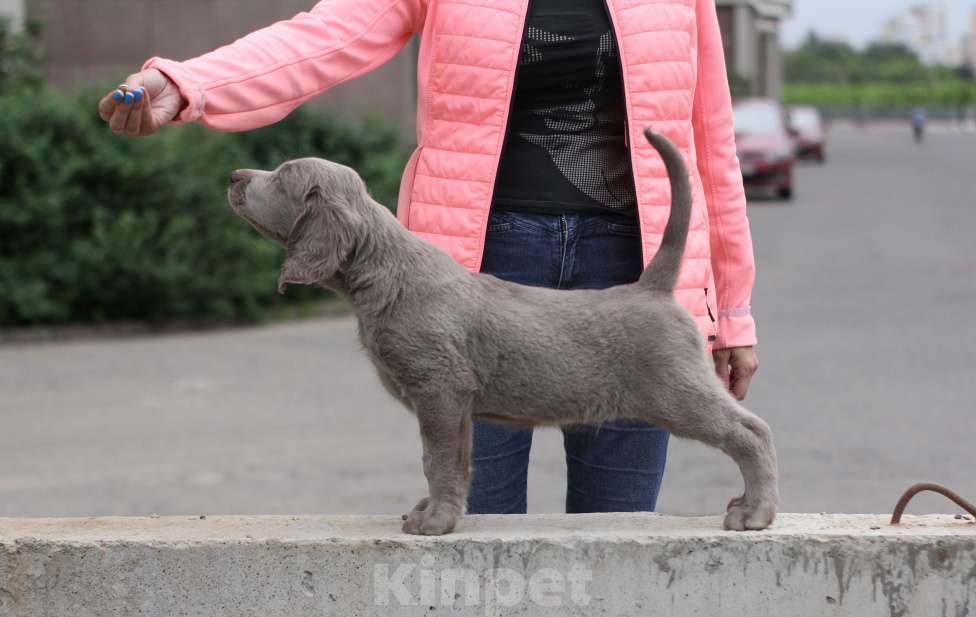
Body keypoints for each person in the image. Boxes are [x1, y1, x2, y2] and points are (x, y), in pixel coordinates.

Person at [99, 0, 759, 516]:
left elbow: (710, 140)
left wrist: (729, 309)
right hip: (475, 274)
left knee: (620, 543)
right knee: (473, 543)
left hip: (631, 275)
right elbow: (322, 38)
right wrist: (188, 84)